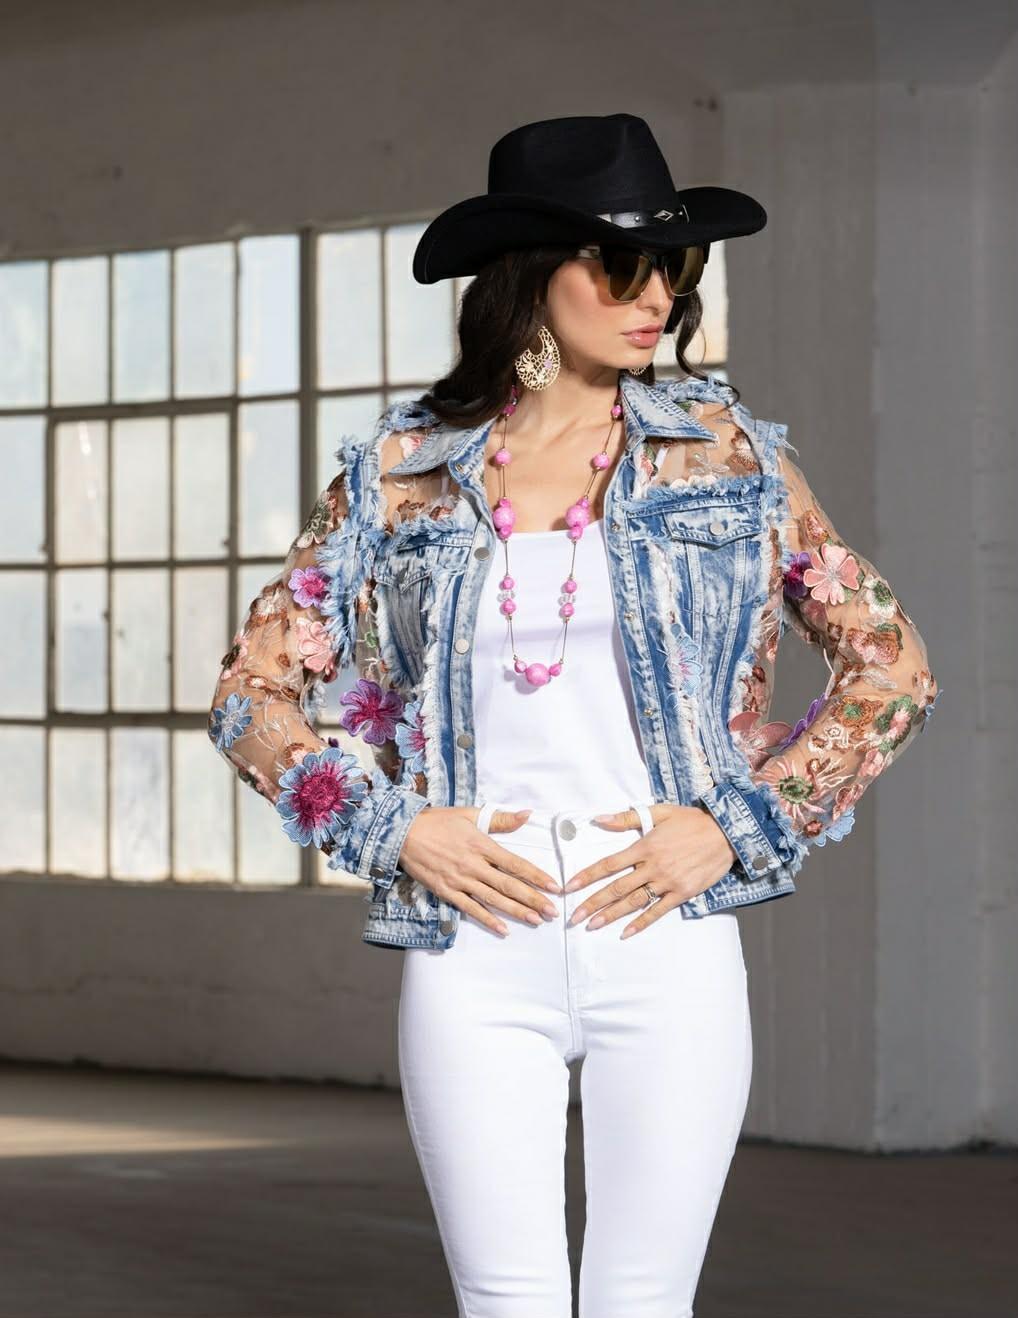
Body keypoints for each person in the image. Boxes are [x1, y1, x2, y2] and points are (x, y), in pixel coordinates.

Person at [208, 114, 940, 1318]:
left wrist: (737, 826)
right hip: (473, 940)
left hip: (663, 924)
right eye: (622, 265)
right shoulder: (401, 470)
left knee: (640, 1303)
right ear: (530, 273)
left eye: (674, 269)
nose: (656, 297)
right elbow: (250, 693)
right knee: (509, 1302)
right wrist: (394, 831)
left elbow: (891, 669)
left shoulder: (725, 458)